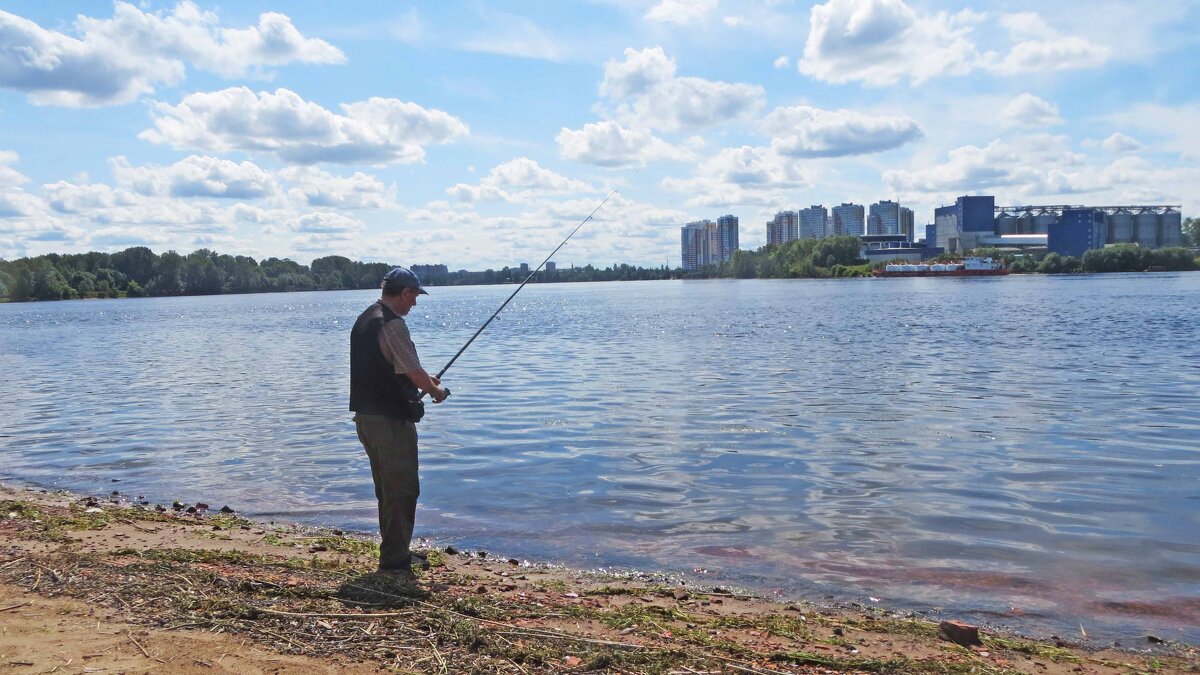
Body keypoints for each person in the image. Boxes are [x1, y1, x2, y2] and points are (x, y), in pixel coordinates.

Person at [350, 266, 448, 577]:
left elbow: (394, 367)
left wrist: (421, 380)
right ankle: (394, 560)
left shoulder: (366, 317)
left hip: (366, 418)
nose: (415, 304)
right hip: (389, 421)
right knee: (402, 489)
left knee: (387, 489)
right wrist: (435, 390)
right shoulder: (392, 324)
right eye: (415, 297)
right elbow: (413, 371)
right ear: (404, 293)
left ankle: (395, 551)